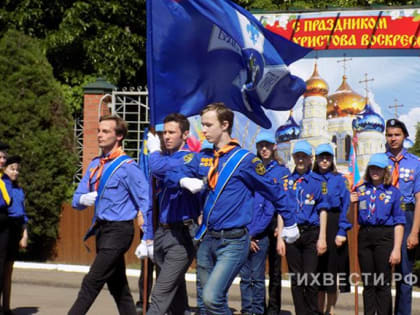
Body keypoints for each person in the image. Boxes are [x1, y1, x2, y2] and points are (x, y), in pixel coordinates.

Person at [165, 103, 299, 315]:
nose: (204, 130)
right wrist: (182, 180)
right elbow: (169, 171)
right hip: (207, 238)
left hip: (234, 241)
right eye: (203, 125)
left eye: (208, 125)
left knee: (211, 298)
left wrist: (290, 222)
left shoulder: (245, 161)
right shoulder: (203, 157)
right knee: (204, 302)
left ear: (225, 125)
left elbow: (274, 191)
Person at [69, 115, 149, 315]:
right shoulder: (95, 164)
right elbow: (75, 199)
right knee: (118, 287)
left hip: (120, 230)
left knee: (92, 281)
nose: (99, 135)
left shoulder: (128, 167)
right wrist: (83, 199)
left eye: (105, 131)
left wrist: (148, 237)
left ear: (119, 136)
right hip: (102, 230)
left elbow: (146, 200)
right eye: (98, 130)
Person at [146, 113, 200, 315]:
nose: (166, 136)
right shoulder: (164, 158)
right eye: (164, 132)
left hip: (182, 234)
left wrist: (153, 153)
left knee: (160, 294)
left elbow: (161, 169)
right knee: (176, 297)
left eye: (171, 132)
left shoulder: (190, 158)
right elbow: (153, 201)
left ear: (185, 134)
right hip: (163, 232)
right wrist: (148, 237)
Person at [239, 131, 289, 315]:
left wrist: (280, 227)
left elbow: (282, 200)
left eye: (268, 145)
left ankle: (272, 309)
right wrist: (248, 232)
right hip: (252, 226)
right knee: (248, 275)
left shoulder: (281, 171)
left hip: (274, 225)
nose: (264, 149)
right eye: (261, 146)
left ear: (274, 147)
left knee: (273, 273)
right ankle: (250, 309)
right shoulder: (253, 169)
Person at [278, 140, 329, 315]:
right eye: (297, 156)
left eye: (303, 156)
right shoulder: (286, 182)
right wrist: (280, 239)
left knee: (310, 277)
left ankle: (313, 312)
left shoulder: (318, 181)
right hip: (291, 233)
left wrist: (322, 237)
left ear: (310, 159)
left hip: (311, 233)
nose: (300, 159)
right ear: (293, 158)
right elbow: (281, 211)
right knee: (296, 278)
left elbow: (323, 210)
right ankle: (300, 312)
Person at [350, 153, 405, 315]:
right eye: (372, 168)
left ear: (385, 171)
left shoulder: (394, 193)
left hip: (385, 236)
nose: (375, 171)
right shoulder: (360, 190)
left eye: (379, 168)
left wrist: (396, 249)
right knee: (368, 283)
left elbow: (399, 222)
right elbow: (349, 213)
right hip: (365, 235)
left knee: (382, 283)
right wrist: (351, 201)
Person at [384, 119, 420, 315]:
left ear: (405, 136)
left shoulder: (416, 163)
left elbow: (419, 199)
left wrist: (414, 232)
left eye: (397, 134)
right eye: (389, 135)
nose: (393, 139)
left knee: (405, 275)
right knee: (382, 275)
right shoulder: (380, 162)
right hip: (385, 219)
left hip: (406, 216)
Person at [313, 143, 351, 315]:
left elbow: (346, 207)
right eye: (321, 157)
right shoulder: (311, 178)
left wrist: (342, 231)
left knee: (332, 272)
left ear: (332, 159)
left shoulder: (339, 180)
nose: (324, 160)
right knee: (318, 272)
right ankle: (319, 310)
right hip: (316, 225)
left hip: (334, 223)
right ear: (316, 159)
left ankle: (331, 310)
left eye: (328, 157)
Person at [1, 156, 28, 315]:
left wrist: (24, 234)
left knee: (9, 270)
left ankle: (6, 307)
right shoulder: (2, 186)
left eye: (17, 169)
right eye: (12, 168)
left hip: (16, 229)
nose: (16, 172)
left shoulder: (18, 190)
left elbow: (23, 214)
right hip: (4, 228)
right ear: (4, 169)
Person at [0, 142, 12, 315]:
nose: (2, 160)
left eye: (4, 157)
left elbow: (8, 201)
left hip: (4, 224)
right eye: (0, 157)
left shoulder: (6, 179)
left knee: (1, 267)